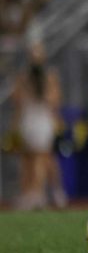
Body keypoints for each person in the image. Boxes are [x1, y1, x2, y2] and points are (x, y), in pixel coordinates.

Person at [13, 45, 66, 210]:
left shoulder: (50, 77)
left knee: (43, 157)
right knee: (28, 157)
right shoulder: (23, 78)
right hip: (29, 119)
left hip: (43, 119)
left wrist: (42, 92)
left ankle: (41, 192)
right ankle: (29, 192)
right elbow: (18, 101)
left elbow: (56, 100)